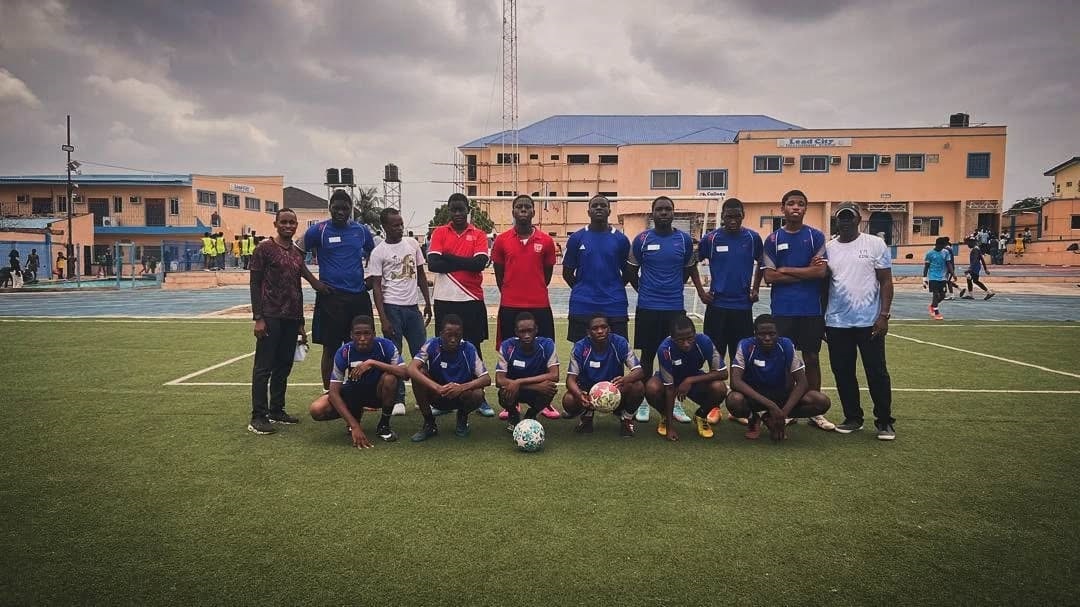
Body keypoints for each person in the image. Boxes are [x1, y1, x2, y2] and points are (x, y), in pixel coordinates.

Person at [247, 208, 328, 435]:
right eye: (283, 222)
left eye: (292, 222)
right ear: (275, 224)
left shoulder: (295, 253)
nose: (288, 226)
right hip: (270, 316)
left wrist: (301, 322)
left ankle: (276, 409)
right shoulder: (264, 249)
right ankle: (258, 416)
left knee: (284, 365)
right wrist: (258, 318)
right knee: (264, 367)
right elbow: (255, 283)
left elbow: (304, 285)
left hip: (291, 318)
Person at [761, 190, 835, 431]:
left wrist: (786, 269)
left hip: (811, 309)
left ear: (805, 208)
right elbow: (770, 277)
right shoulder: (772, 239)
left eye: (800, 204)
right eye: (791, 203)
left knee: (811, 358)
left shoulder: (815, 237)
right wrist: (804, 272)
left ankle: (815, 411)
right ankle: (787, 409)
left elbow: (820, 272)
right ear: (782, 207)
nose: (796, 207)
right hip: (783, 309)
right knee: (784, 361)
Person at [823, 204, 896, 440]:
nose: (845, 222)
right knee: (843, 373)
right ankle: (853, 418)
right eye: (841, 218)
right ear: (836, 221)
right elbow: (824, 286)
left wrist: (883, 315)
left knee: (877, 372)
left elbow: (885, 281)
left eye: (849, 217)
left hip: (870, 322)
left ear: (858, 219)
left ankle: (884, 421)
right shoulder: (829, 249)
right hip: (837, 322)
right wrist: (822, 319)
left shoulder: (875, 244)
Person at [627, 196, 697, 426]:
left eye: (668, 209)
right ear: (653, 213)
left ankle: (674, 402)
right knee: (648, 356)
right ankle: (644, 401)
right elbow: (631, 271)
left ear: (673, 212)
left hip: (674, 308)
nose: (664, 213)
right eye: (660, 209)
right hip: (648, 307)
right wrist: (645, 290)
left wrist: (672, 288)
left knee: (674, 357)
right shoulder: (642, 239)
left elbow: (687, 270)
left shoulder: (684, 240)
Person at [426, 193, 496, 417]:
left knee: (473, 346)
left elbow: (479, 264)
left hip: (471, 299)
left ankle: (479, 397)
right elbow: (433, 264)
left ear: (468, 210)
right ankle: (442, 398)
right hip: (444, 299)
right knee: (443, 348)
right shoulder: (439, 232)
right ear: (449, 210)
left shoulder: (478, 234)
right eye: (453, 209)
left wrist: (448, 257)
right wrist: (465, 262)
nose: (457, 213)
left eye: (461, 209)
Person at [491, 195, 560, 420]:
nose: (523, 210)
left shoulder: (546, 241)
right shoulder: (501, 240)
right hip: (510, 305)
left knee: (543, 351)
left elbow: (546, 275)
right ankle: (512, 400)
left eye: (527, 207)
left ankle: (545, 402)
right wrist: (512, 291)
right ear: (513, 211)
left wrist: (533, 290)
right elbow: (500, 275)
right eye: (519, 207)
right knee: (510, 352)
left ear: (533, 212)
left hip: (539, 305)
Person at [695, 197, 763, 426]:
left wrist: (755, 288)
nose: (733, 220)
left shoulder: (752, 238)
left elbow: (762, 263)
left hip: (742, 308)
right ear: (722, 217)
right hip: (717, 307)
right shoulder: (711, 239)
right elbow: (692, 263)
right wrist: (701, 292)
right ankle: (714, 406)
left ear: (743, 216)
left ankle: (737, 406)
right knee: (716, 357)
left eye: (737, 216)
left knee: (739, 358)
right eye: (728, 216)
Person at [304, 189, 377, 391]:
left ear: (350, 209)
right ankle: (329, 392)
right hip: (331, 297)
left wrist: (372, 277)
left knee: (361, 345)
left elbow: (375, 253)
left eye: (345, 208)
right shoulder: (318, 231)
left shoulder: (361, 230)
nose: (340, 212)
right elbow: (296, 254)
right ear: (330, 208)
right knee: (331, 347)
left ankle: (360, 392)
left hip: (358, 297)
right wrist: (314, 282)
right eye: (336, 208)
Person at [368, 207, 433, 416]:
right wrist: (383, 318)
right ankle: (398, 399)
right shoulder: (378, 252)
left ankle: (425, 397)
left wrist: (428, 302)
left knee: (421, 354)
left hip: (412, 309)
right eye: (394, 225)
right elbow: (376, 287)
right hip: (391, 308)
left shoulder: (412, 244)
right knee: (394, 357)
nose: (399, 228)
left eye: (401, 224)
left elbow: (421, 275)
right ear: (384, 227)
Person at [726, 314, 832, 441]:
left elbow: (802, 383)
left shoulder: (786, 345)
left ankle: (769, 417)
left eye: (772, 334)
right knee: (734, 400)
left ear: (778, 333)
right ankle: (753, 418)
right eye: (762, 334)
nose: (767, 338)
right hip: (754, 396)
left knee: (821, 401)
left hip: (780, 395)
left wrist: (782, 414)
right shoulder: (745, 345)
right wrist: (771, 406)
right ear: (755, 334)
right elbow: (735, 382)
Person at [308, 315, 406, 448]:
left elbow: (404, 373)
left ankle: (384, 425)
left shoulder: (385, 345)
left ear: (374, 334)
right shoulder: (344, 352)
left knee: (391, 378)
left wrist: (373, 363)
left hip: (377, 394)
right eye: (358, 334)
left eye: (367, 333)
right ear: (351, 335)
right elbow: (334, 393)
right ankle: (355, 417)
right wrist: (354, 426)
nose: (362, 338)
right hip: (354, 393)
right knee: (317, 409)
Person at [407, 314, 491, 441]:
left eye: (457, 335)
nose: (453, 339)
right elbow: (411, 369)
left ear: (462, 334)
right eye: (449, 335)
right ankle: (429, 423)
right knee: (418, 374)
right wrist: (437, 388)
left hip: (461, 396)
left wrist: (461, 388)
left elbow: (486, 379)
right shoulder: (432, 344)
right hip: (437, 394)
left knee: (478, 393)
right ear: (441, 334)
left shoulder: (469, 348)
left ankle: (462, 418)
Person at [644, 316, 728, 441]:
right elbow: (669, 388)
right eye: (681, 340)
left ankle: (701, 416)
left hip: (694, 380)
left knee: (719, 387)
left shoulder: (704, 341)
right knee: (652, 388)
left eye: (690, 338)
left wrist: (689, 381)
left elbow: (723, 373)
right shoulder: (665, 349)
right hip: (669, 381)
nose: (686, 344)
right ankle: (666, 417)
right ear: (672, 338)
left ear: (695, 334)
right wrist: (670, 428)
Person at [562, 314, 645, 437]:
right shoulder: (580, 347)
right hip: (588, 392)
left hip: (615, 390)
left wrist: (625, 379)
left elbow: (639, 371)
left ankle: (627, 419)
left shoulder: (620, 342)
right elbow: (570, 380)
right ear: (588, 332)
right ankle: (587, 416)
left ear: (609, 329)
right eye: (595, 328)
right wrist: (580, 395)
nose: (600, 331)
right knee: (569, 400)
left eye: (604, 327)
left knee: (638, 386)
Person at [563, 195, 632, 343]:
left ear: (609, 211)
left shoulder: (621, 239)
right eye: (595, 206)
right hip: (582, 304)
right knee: (581, 351)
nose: (599, 208)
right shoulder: (576, 238)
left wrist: (613, 287)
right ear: (588, 212)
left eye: (603, 205)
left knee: (617, 349)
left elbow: (627, 272)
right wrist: (583, 289)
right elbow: (567, 272)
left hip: (614, 305)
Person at [495, 312, 560, 430]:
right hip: (516, 390)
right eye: (522, 331)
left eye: (530, 331)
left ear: (536, 330)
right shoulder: (507, 346)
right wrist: (533, 386)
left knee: (550, 389)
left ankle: (532, 414)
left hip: (535, 391)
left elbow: (554, 375)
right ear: (516, 332)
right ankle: (513, 414)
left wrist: (519, 382)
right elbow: (499, 380)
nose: (526, 335)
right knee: (504, 392)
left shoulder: (547, 344)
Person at [922, 236, 952, 320]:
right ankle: (936, 313)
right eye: (942, 245)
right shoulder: (930, 254)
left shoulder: (946, 252)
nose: (943, 247)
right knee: (936, 294)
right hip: (933, 277)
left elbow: (948, 263)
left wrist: (953, 273)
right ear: (937, 245)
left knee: (942, 295)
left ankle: (932, 306)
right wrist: (924, 278)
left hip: (942, 277)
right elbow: (926, 266)